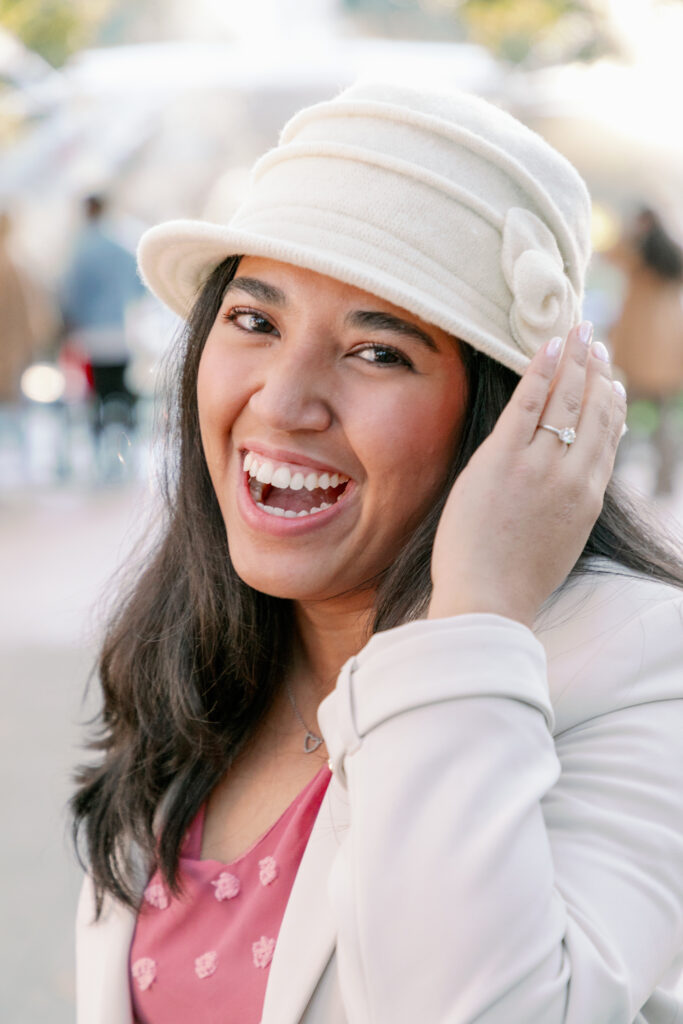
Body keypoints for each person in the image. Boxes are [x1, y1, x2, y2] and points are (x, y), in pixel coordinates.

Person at [72, 83, 683, 1024]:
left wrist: (474, 612)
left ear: (504, 416)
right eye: (254, 321)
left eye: (378, 352)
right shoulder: (206, 645)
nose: (282, 402)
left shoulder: (638, 660)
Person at [607, 207, 683, 495]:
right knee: (662, 421)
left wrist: (633, 233)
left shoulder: (639, 256)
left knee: (621, 415)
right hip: (665, 355)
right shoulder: (671, 259)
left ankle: (610, 476)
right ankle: (664, 484)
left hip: (639, 354)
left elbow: (611, 255)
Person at [59, 194, 145, 444]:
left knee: (97, 394)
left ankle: (100, 444)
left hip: (91, 336)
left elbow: (70, 294)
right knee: (120, 390)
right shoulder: (121, 245)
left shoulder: (80, 249)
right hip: (120, 332)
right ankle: (126, 439)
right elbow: (140, 285)